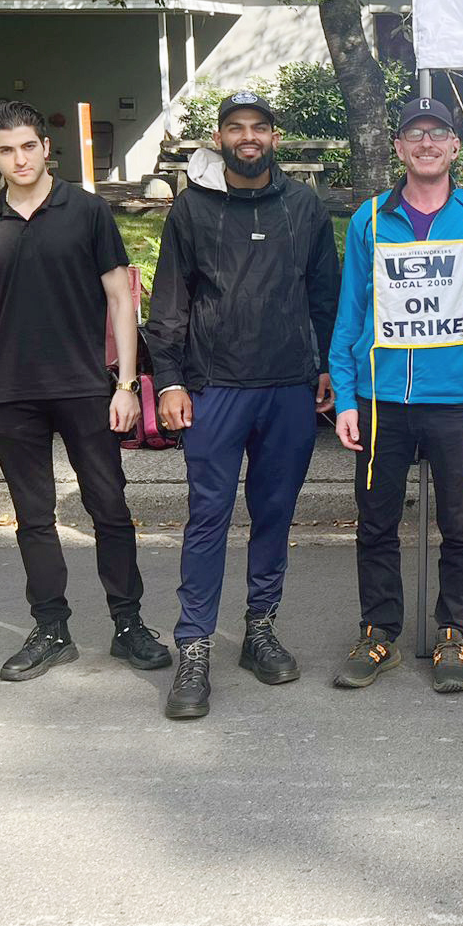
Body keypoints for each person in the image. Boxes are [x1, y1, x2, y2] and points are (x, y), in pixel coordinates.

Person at [0, 99, 168, 682]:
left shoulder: (88, 212)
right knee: (34, 518)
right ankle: (51, 629)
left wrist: (124, 383)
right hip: (12, 394)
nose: (19, 158)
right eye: (5, 149)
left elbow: (122, 298)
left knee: (110, 509)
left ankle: (129, 625)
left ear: (46, 148)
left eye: (28, 145)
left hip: (85, 389)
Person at [146, 91, 341, 720]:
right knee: (208, 517)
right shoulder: (191, 210)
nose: (249, 137)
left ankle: (259, 629)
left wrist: (329, 368)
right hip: (214, 388)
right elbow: (169, 303)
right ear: (219, 138)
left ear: (275, 138)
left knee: (275, 513)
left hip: (287, 387)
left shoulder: (304, 205)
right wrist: (169, 381)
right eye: (236, 128)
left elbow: (324, 296)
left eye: (259, 127)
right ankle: (194, 647)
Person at [330, 97, 463, 695]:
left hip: (458, 398)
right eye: (415, 134)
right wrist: (347, 396)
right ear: (400, 147)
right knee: (376, 523)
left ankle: (455, 632)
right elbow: (351, 308)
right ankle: (379, 630)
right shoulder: (370, 220)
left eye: (437, 134)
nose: (427, 143)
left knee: (461, 524)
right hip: (383, 398)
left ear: (455, 146)